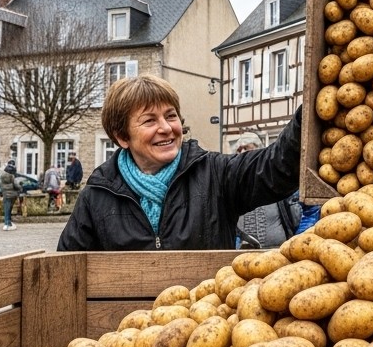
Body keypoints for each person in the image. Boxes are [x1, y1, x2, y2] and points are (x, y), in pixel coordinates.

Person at [58, 74, 302, 251]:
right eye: (149, 121)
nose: (166, 128)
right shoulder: (97, 195)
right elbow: (68, 269)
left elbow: (277, 167)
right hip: (128, 321)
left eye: (171, 116)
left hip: (206, 319)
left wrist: (305, 118)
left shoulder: (215, 175)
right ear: (122, 136)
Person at [233, 132, 304, 249]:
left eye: (246, 148)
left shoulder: (278, 179)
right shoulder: (234, 187)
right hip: (243, 257)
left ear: (260, 150)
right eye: (239, 150)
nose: (242, 153)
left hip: (279, 254)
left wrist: (299, 241)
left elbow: (308, 210)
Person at [0, 160, 20, 231]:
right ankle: (7, 224)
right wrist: (20, 188)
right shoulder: (12, 175)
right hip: (12, 195)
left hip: (5, 194)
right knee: (9, 210)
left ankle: (8, 223)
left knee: (6, 210)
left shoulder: (1, 176)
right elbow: (16, 185)